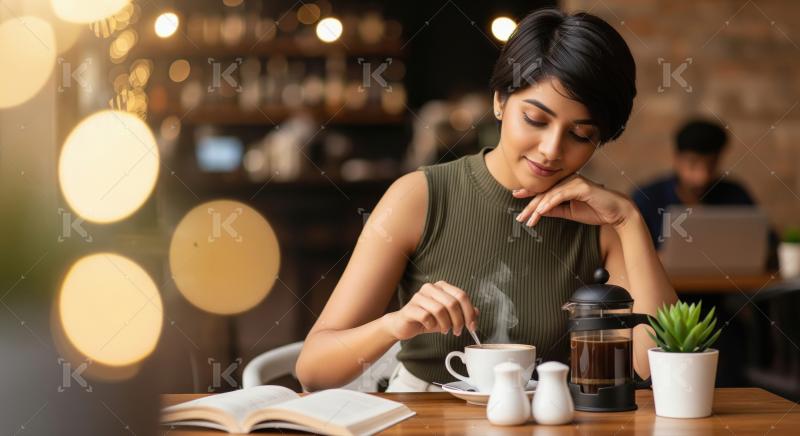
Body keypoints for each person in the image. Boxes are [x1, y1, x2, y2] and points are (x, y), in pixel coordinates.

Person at [296, 8, 678, 392]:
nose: (551, 150)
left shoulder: (601, 220)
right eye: (535, 119)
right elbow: (313, 369)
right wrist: (393, 324)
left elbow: (655, 366)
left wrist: (629, 220)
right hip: (421, 418)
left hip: (541, 419)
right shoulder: (420, 197)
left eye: (580, 135)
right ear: (499, 101)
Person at [633, 120, 758, 248]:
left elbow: (765, 245)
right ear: (677, 159)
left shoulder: (736, 196)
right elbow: (626, 254)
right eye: (693, 164)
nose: (702, 177)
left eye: (711, 165)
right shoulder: (647, 198)